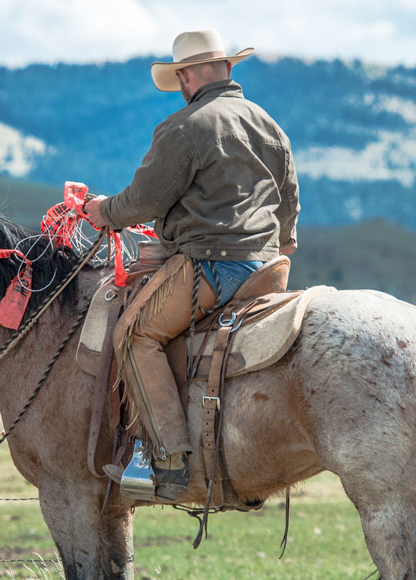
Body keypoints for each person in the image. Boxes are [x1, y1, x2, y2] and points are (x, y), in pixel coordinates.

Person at [82, 28, 299, 502]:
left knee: (135, 336)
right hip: (267, 266)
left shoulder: (185, 126)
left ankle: (169, 460)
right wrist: (275, 244)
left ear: (184, 76)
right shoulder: (269, 125)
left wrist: (100, 211)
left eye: (180, 77)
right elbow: (288, 206)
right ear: (225, 68)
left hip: (210, 265)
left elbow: (143, 200)